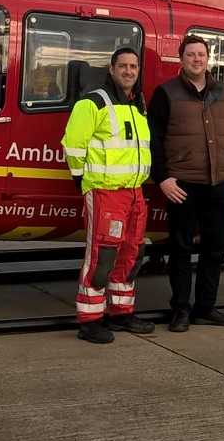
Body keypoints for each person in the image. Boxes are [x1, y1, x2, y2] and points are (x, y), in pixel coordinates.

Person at [148, 35, 224, 332]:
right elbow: (153, 140)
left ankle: (205, 307)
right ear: (182, 59)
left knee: (216, 247)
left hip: (218, 184)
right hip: (183, 185)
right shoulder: (166, 93)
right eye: (191, 55)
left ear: (208, 59)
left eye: (201, 55)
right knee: (180, 247)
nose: (197, 60)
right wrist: (163, 178)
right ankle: (180, 309)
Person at [62, 47, 155, 345]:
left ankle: (121, 312)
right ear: (112, 69)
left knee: (131, 254)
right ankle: (89, 320)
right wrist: (82, 181)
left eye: (134, 66)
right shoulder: (93, 103)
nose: (129, 71)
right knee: (102, 257)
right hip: (105, 192)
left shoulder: (137, 104)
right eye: (123, 66)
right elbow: (73, 145)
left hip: (134, 193)